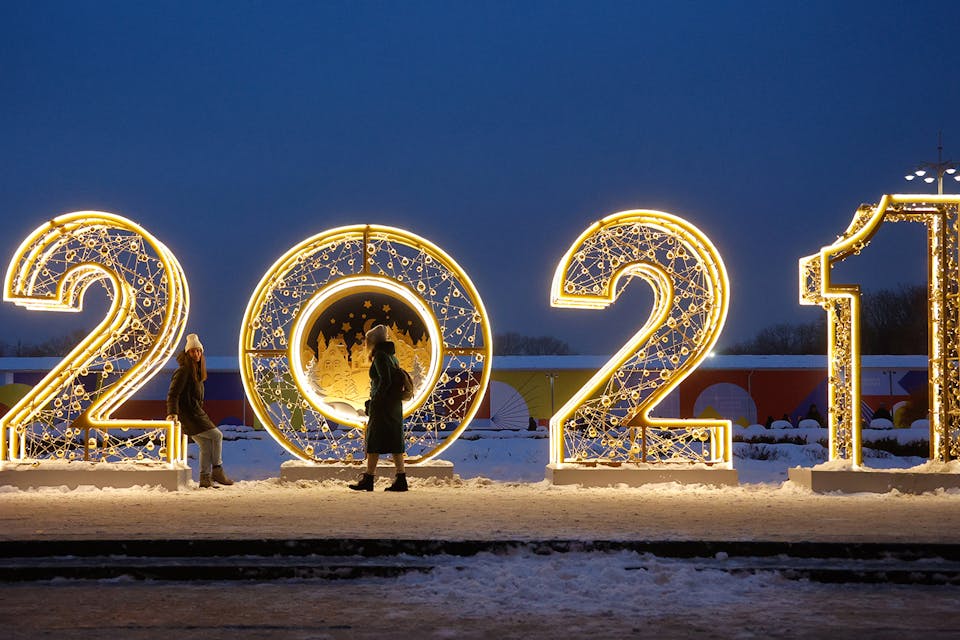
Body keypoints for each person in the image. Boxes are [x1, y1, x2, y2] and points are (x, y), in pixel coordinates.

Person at [166, 333, 233, 489]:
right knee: (217, 435)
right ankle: (217, 470)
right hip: (189, 415)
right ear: (187, 353)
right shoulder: (183, 371)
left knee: (206, 445)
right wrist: (172, 413)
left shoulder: (197, 371)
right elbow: (173, 394)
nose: (196, 354)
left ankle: (204, 479)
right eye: (193, 351)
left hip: (195, 413)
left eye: (198, 351)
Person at [349, 324, 408, 492]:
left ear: (373, 341)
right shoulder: (392, 357)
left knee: (374, 439)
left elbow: (384, 381)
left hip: (382, 406)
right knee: (395, 440)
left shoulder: (380, 356)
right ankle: (401, 478)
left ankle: (369, 479)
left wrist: (375, 401)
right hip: (394, 405)